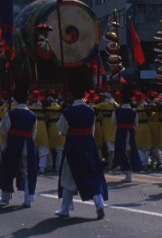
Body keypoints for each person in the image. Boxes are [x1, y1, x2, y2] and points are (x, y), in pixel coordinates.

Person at [55, 68, 108, 219]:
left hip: (73, 145)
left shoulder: (68, 111)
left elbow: (62, 129)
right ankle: (99, 203)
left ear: (71, 94)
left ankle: (65, 208)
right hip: (88, 144)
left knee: (68, 176)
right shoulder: (91, 110)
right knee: (92, 173)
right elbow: (91, 130)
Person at [0, 80, 38, 208]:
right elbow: (33, 132)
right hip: (28, 144)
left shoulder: (10, 114)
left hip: (14, 143)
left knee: (9, 169)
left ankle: (5, 197)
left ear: (14, 99)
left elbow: (2, 129)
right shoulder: (32, 115)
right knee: (27, 171)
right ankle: (28, 198)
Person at [112, 84, 143, 183]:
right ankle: (132, 171)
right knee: (131, 152)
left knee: (122, 152)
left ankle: (127, 173)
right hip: (130, 132)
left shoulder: (117, 111)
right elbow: (135, 124)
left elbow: (113, 123)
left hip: (121, 132)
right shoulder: (134, 112)